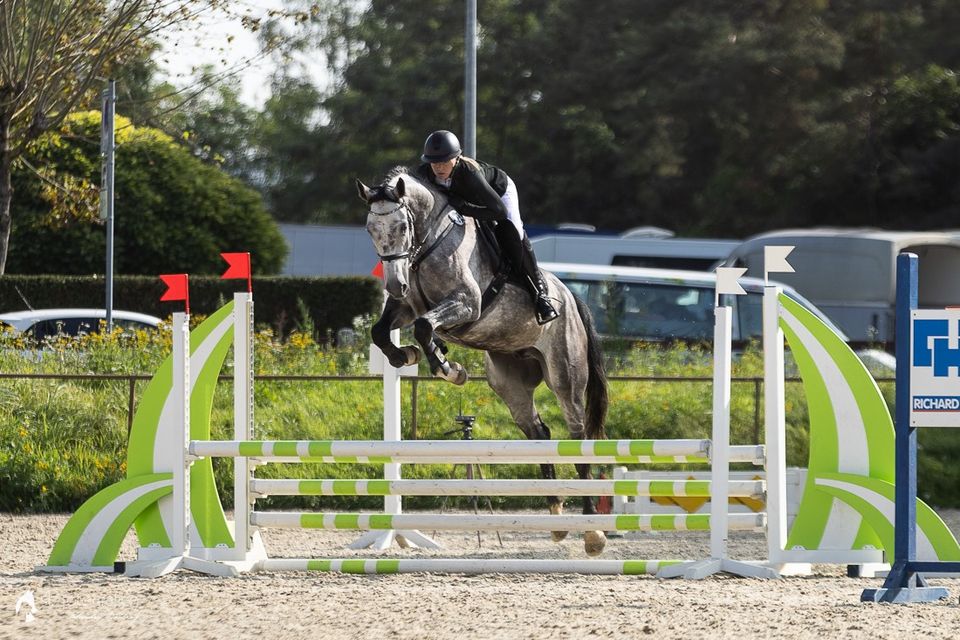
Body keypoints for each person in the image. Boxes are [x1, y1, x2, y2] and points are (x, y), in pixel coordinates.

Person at [414, 130, 559, 325]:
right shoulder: (425, 174)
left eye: (444, 162)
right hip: (469, 200)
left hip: (499, 194)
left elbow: (498, 211)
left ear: (456, 158)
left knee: (513, 230)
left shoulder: (470, 173)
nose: (438, 167)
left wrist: (465, 208)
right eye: (434, 162)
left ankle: (540, 293)